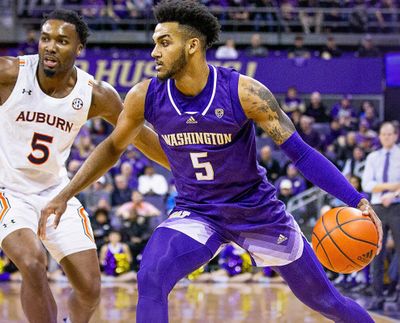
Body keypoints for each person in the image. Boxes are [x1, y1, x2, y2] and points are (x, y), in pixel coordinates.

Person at [40, 2, 382, 323]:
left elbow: (302, 153)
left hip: (256, 211)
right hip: (197, 211)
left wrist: (357, 200)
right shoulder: (145, 96)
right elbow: (112, 148)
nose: (154, 52)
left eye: (164, 42)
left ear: (191, 46)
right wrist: (65, 193)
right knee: (151, 275)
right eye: (154, 43)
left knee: (326, 302)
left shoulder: (245, 92)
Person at [0, 9, 168, 323]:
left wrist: (181, 164)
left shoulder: (96, 95)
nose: (50, 46)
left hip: (55, 191)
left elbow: (135, 135)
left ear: (79, 49)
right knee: (32, 263)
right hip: (7, 190)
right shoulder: (10, 73)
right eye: (45, 38)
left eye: (62, 41)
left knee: (90, 289)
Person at [362, 121, 400, 311]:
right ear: (379, 136)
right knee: (376, 253)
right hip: (377, 206)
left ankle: (398, 295)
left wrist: (394, 193)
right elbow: (367, 184)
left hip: (397, 206)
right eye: (383, 134)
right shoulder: (373, 157)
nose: (386, 137)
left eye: (389, 134)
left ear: (396, 135)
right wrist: (392, 187)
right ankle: (377, 296)